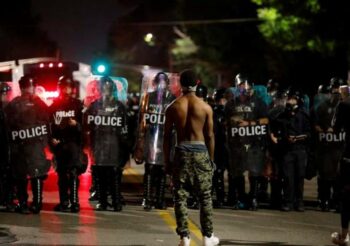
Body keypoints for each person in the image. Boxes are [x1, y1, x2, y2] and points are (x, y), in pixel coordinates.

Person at [164, 69, 219, 246]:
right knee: (205, 196)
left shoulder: (173, 107)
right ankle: (207, 237)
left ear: (180, 84)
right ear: (197, 83)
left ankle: (184, 238)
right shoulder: (205, 107)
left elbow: (166, 137)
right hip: (200, 151)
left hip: (181, 152)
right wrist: (210, 160)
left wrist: (167, 160)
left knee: (180, 196)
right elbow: (210, 136)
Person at [4, 75, 51, 214]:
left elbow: (8, 125)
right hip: (31, 144)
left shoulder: (15, 104)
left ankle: (25, 203)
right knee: (33, 173)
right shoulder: (37, 103)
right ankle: (35, 203)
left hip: (22, 145)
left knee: (23, 174)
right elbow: (47, 123)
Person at [84, 76, 129, 212]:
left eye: (108, 88)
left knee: (111, 174)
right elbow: (88, 126)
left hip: (112, 145)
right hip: (101, 145)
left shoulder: (118, 106)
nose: (105, 91)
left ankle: (114, 202)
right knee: (102, 174)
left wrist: (124, 148)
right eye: (104, 88)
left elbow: (124, 128)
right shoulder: (95, 106)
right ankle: (106, 202)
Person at [224, 74, 269, 210]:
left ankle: (253, 198)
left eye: (247, 84)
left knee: (254, 171)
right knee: (238, 172)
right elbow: (226, 121)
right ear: (237, 86)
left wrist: (249, 123)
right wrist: (232, 122)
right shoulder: (231, 103)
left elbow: (265, 120)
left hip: (254, 142)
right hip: (237, 142)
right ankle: (241, 198)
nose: (245, 87)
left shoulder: (259, 101)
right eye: (242, 85)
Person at [134, 72, 176, 211]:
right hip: (151, 137)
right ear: (155, 83)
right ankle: (147, 197)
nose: (161, 85)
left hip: (165, 138)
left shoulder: (172, 99)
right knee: (150, 168)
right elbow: (142, 121)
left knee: (163, 169)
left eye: (164, 82)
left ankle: (160, 198)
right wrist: (140, 141)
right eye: (159, 82)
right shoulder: (148, 97)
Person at [271, 89, 311, 212]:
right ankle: (288, 201)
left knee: (299, 176)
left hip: (300, 149)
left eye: (292, 98)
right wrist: (280, 138)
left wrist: (300, 138)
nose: (290, 100)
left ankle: (299, 202)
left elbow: (309, 133)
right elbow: (274, 131)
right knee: (288, 177)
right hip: (286, 150)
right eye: (288, 98)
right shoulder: (281, 115)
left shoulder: (303, 115)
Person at [50, 76, 86, 212]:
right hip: (60, 145)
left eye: (68, 87)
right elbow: (50, 126)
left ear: (73, 88)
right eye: (63, 87)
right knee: (61, 174)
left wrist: (76, 124)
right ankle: (64, 202)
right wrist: (52, 139)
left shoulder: (78, 105)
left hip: (73, 144)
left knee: (73, 173)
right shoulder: (54, 106)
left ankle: (75, 202)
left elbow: (86, 126)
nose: (66, 90)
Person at [331, 83, 350, 245]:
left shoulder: (344, 105)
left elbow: (335, 127)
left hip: (349, 156)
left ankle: (345, 235)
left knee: (347, 195)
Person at [0, 83, 15, 211]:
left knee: (8, 174)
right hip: (4, 146)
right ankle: (6, 200)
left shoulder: (9, 109)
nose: (5, 96)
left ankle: (7, 199)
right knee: (6, 175)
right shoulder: (7, 109)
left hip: (8, 146)